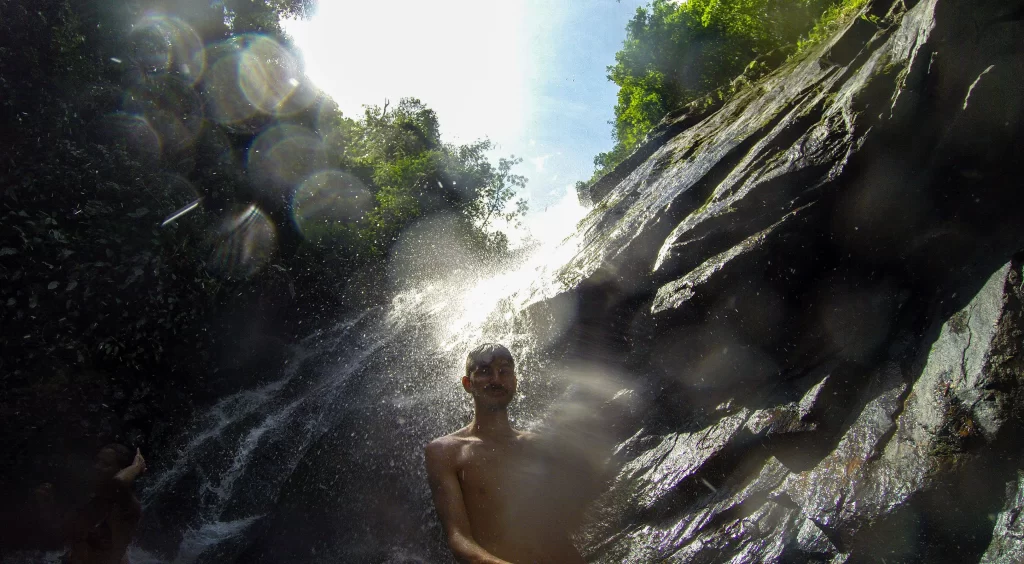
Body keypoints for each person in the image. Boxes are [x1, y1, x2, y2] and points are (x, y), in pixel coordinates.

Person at [425, 344, 592, 564]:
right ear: (468, 383)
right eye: (484, 371)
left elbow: (556, 532)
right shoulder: (446, 452)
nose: (496, 379)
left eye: (504, 371)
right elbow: (459, 540)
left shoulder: (537, 446)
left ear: (514, 381)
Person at [66, 444, 146, 564]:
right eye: (97, 461)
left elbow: (118, 482)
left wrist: (136, 466)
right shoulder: (94, 500)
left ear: (120, 470)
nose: (97, 466)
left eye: (106, 464)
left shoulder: (126, 507)